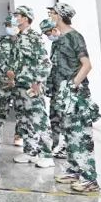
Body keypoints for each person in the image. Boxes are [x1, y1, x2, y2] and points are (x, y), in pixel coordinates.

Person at [47, 3, 101, 194]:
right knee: (69, 135)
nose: (50, 16)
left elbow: (86, 65)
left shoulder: (74, 37)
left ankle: (89, 179)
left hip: (75, 96)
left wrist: (72, 86)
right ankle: (74, 170)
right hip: (62, 96)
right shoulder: (59, 39)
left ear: (60, 16)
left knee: (80, 136)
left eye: (52, 13)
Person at [10, 5, 55, 169]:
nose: (15, 18)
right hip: (20, 85)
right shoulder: (18, 37)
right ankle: (31, 151)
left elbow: (45, 62)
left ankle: (46, 155)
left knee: (38, 120)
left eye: (17, 15)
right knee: (24, 119)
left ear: (25, 18)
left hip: (32, 85)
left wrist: (38, 82)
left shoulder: (34, 37)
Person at [0, 13, 22, 147]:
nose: (9, 27)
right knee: (2, 106)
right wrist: (7, 71)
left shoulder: (25, 41)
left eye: (11, 25)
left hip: (21, 79)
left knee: (21, 107)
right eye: (7, 25)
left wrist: (17, 75)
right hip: (5, 80)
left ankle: (19, 135)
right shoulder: (1, 42)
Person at [39, 18, 64, 157]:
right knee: (54, 117)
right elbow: (53, 67)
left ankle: (65, 147)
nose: (48, 36)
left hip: (65, 88)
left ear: (54, 30)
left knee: (64, 118)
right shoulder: (55, 45)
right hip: (56, 87)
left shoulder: (68, 42)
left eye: (48, 33)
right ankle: (55, 145)